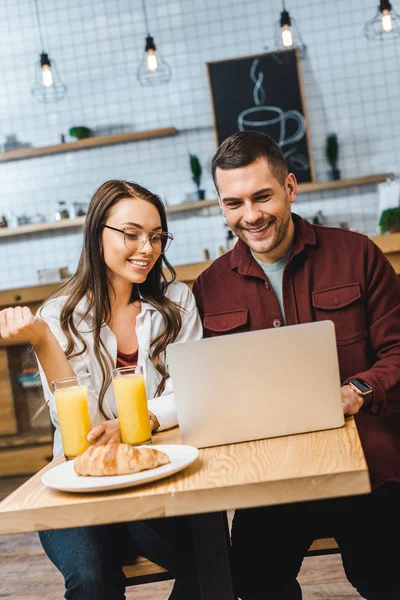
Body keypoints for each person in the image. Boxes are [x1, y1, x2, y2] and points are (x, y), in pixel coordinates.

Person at [192, 131, 400, 600]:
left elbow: (398, 350)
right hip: (271, 477)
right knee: (250, 578)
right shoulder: (208, 288)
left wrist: (359, 390)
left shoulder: (358, 255)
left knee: (383, 574)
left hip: (365, 464)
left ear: (290, 187)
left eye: (262, 196)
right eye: (234, 203)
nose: (251, 215)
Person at [0, 180, 202, 600]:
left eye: (157, 236)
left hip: (152, 473)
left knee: (212, 563)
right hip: (73, 484)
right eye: (131, 234)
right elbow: (83, 435)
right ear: (97, 233)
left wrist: (142, 418)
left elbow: (195, 392)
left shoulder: (177, 301)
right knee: (93, 580)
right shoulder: (59, 315)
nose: (147, 248)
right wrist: (42, 341)